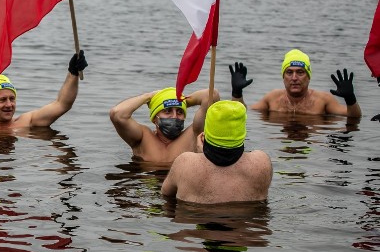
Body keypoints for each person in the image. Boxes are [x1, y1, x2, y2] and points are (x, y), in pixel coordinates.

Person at [161, 100, 272, 203]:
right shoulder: (262, 163)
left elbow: (166, 194)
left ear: (206, 133)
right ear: (242, 131)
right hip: (243, 222)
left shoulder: (184, 163)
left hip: (194, 218)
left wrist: (200, 156)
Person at [0, 51, 88, 131]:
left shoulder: (27, 122)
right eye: (2, 100)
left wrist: (73, 73)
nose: (9, 104)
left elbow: (62, 104)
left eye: (12, 99)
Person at [230, 49, 362, 118]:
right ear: (283, 77)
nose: (294, 78)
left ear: (308, 76)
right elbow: (242, 113)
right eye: (289, 72)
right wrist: (237, 93)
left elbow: (353, 116)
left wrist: (350, 98)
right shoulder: (272, 98)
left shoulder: (323, 100)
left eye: (300, 72)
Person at [109, 86, 219, 164]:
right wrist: (148, 96)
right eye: (167, 111)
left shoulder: (193, 136)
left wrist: (181, 101)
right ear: (154, 119)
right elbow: (117, 114)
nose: (174, 116)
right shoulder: (142, 138)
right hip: (147, 189)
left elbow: (211, 95)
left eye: (180, 112)